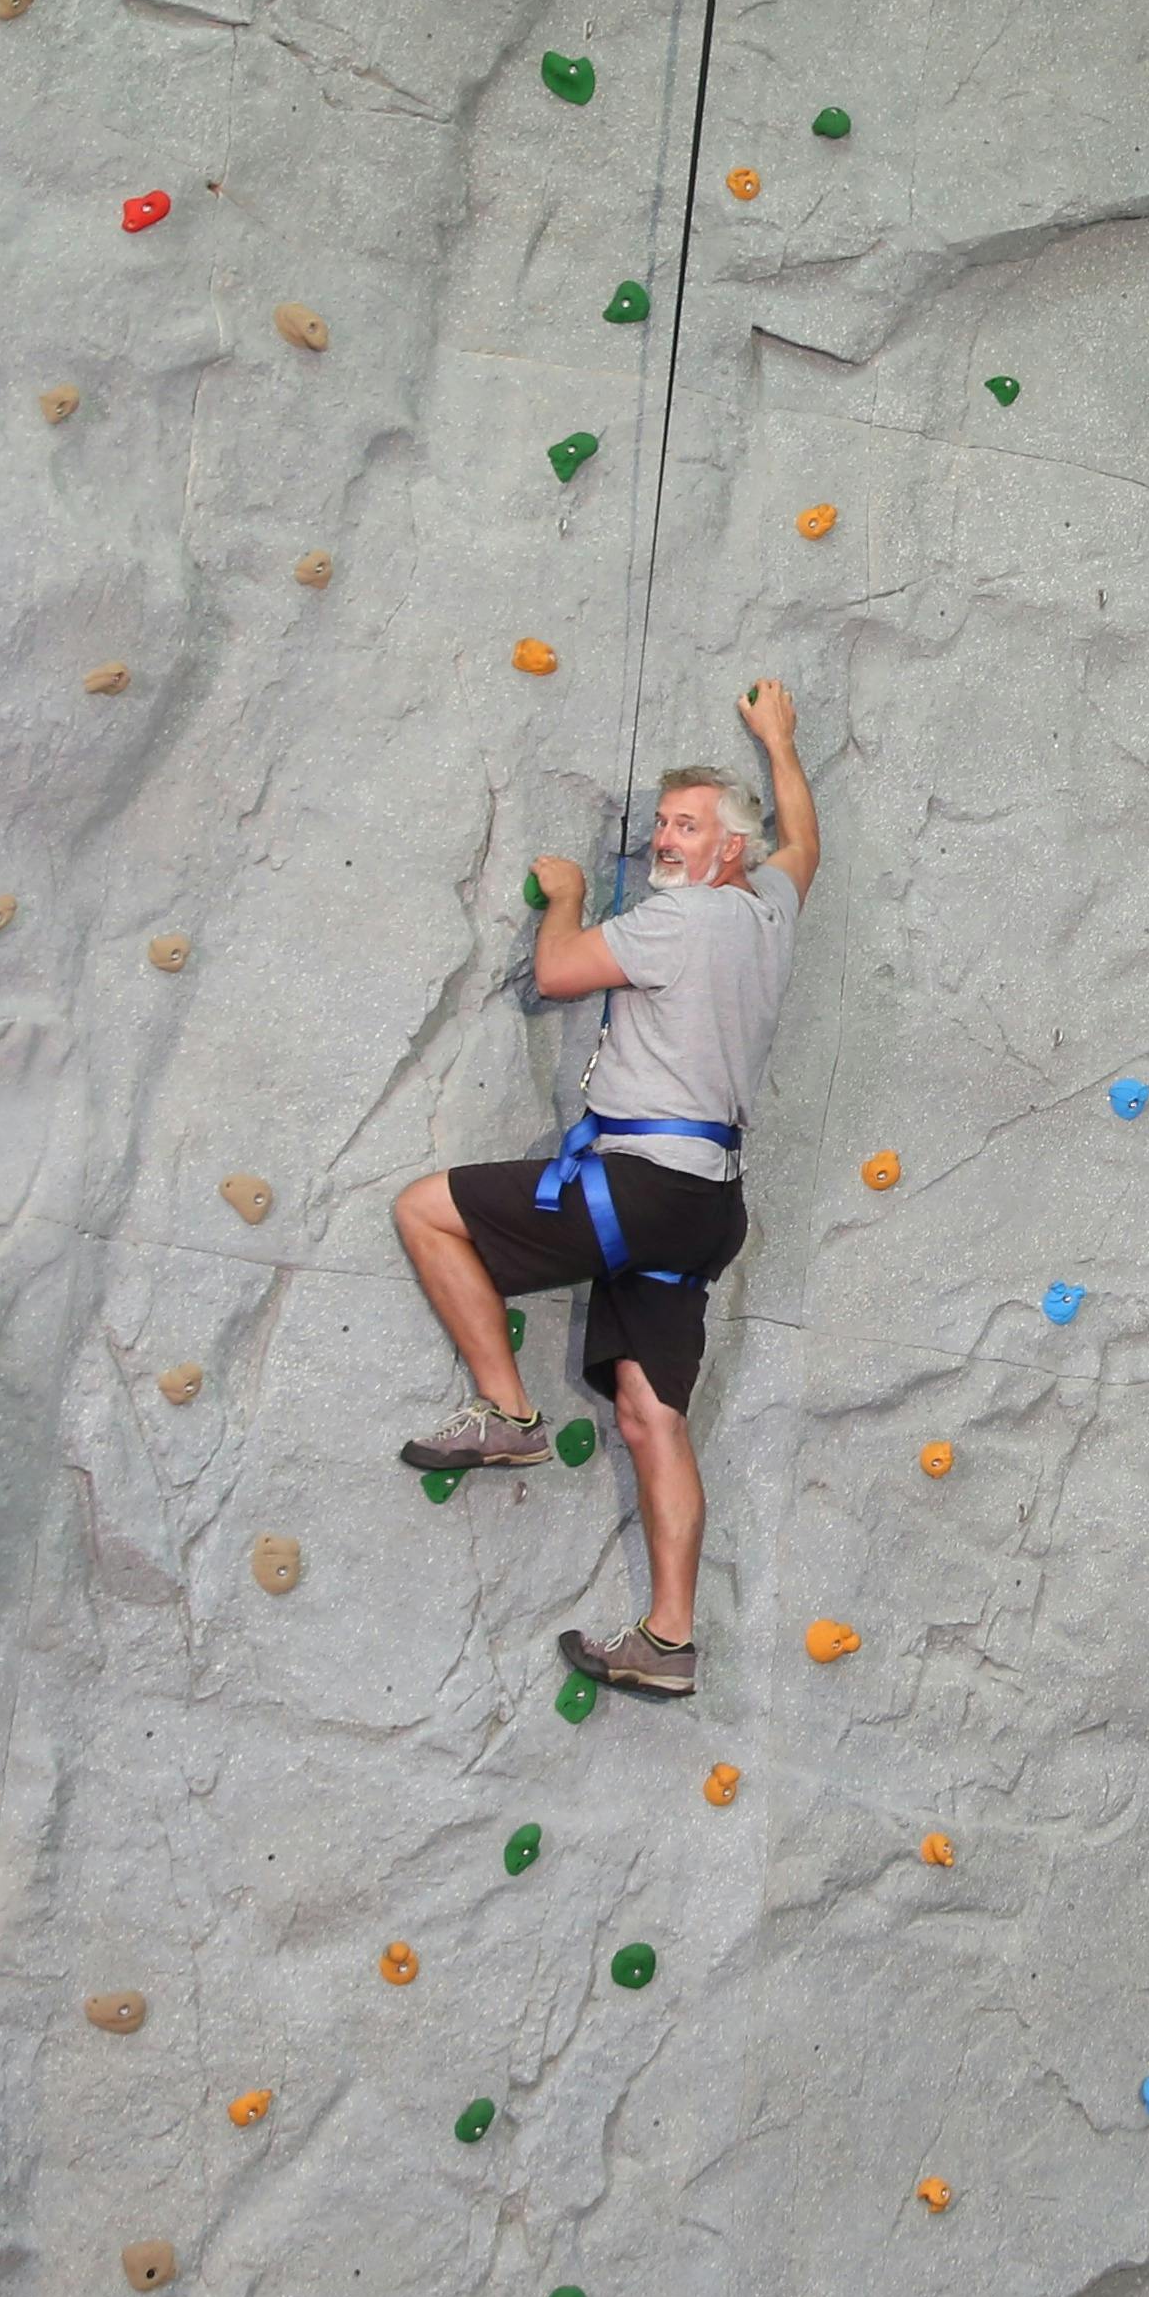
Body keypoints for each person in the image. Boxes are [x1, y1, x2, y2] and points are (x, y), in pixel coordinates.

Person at [392, 683, 818, 1701]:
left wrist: (570, 893)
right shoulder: (770, 911)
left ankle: (506, 1411)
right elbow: (808, 841)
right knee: (649, 1413)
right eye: (665, 822)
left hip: (640, 1180)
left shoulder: (681, 921)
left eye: (687, 827)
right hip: (706, 1206)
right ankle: (670, 1641)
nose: (667, 839)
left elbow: (561, 970)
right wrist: (779, 744)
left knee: (425, 1208)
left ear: (727, 852)